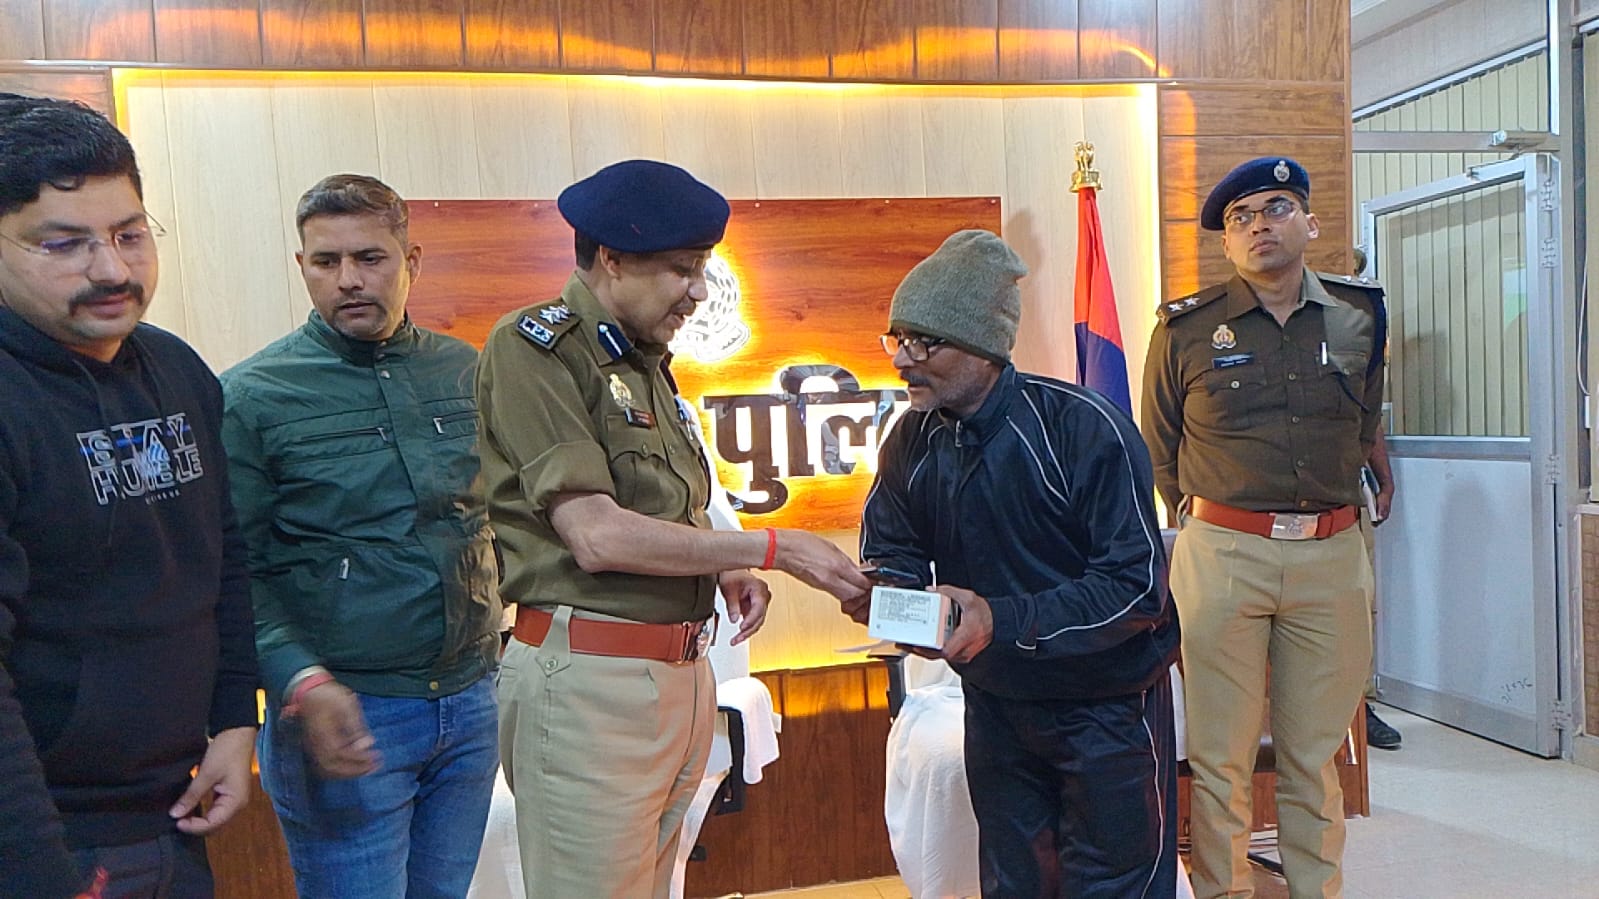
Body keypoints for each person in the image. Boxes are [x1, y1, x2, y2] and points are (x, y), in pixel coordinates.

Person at [477, 158, 872, 898]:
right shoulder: (534, 349)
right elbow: (597, 535)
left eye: (702, 270)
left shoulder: (645, 362)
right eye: (681, 270)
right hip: (591, 684)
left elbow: (667, 506)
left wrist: (723, 568)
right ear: (611, 258)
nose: (698, 291)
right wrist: (773, 547)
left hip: (679, 677)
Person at [851, 229, 1181, 898]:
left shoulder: (1084, 427)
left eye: (924, 342)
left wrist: (998, 619)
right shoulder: (911, 438)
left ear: (984, 346)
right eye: (897, 339)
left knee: (1116, 888)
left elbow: (1134, 589)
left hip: (1105, 708)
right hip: (996, 705)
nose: (902, 359)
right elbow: (893, 552)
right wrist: (886, 598)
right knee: (1013, 884)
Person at [0, 93, 258, 898]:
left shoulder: (177, 369)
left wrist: (233, 718)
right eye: (63, 244)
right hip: (47, 833)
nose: (112, 269)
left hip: (171, 809)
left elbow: (221, 553)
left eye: (129, 234)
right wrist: (40, 871)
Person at [221, 174, 501, 898]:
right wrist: (301, 678)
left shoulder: (463, 371)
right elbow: (232, 571)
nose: (348, 279)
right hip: (343, 710)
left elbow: (499, 516)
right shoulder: (252, 396)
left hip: (471, 699)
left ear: (412, 261)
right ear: (302, 266)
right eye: (326, 261)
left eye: (370, 258)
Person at [1141, 157, 1386, 898]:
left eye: (1276, 208)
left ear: (1309, 222)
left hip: (1330, 555)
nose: (1258, 226)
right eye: (1240, 217)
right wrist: (1219, 521)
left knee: (1314, 754)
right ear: (1226, 241)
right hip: (1223, 555)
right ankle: (1226, 891)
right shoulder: (1185, 328)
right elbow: (1159, 449)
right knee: (1221, 757)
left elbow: (1362, 425)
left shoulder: (1359, 315)